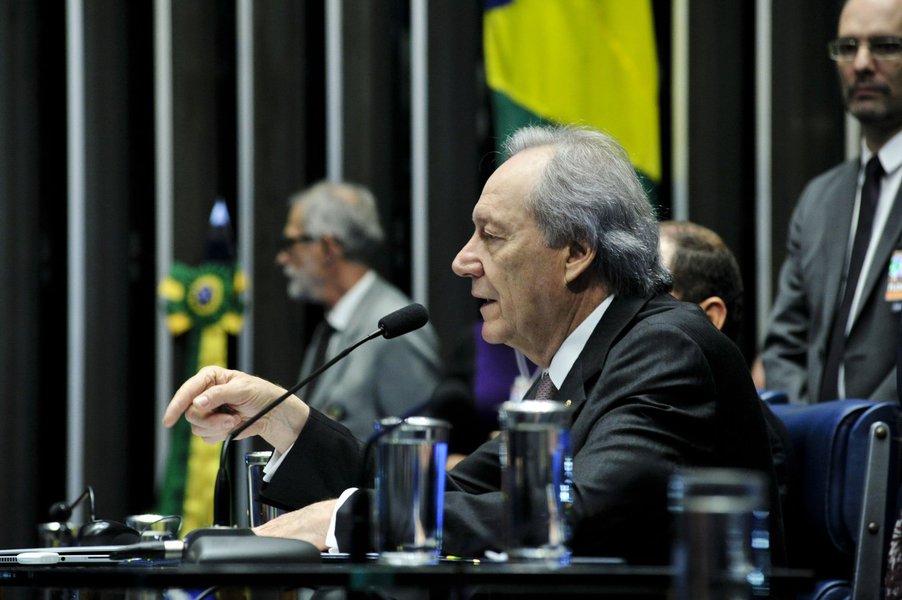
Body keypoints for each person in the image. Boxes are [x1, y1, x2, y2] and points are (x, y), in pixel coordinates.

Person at [163, 125, 784, 565]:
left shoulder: (668, 348)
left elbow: (583, 512)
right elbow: (442, 494)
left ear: (576, 254)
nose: (463, 261)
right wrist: (286, 418)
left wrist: (338, 522)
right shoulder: (573, 370)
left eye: (491, 236)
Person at [761, 0, 902, 405]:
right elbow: (784, 343)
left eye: (885, 45)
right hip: (817, 454)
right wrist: (815, 433)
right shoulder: (820, 200)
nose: (861, 63)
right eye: (847, 47)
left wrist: (863, 430)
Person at [275, 181, 442, 439]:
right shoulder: (332, 325)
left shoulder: (394, 331)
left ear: (327, 247)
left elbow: (420, 449)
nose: (283, 258)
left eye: (292, 242)